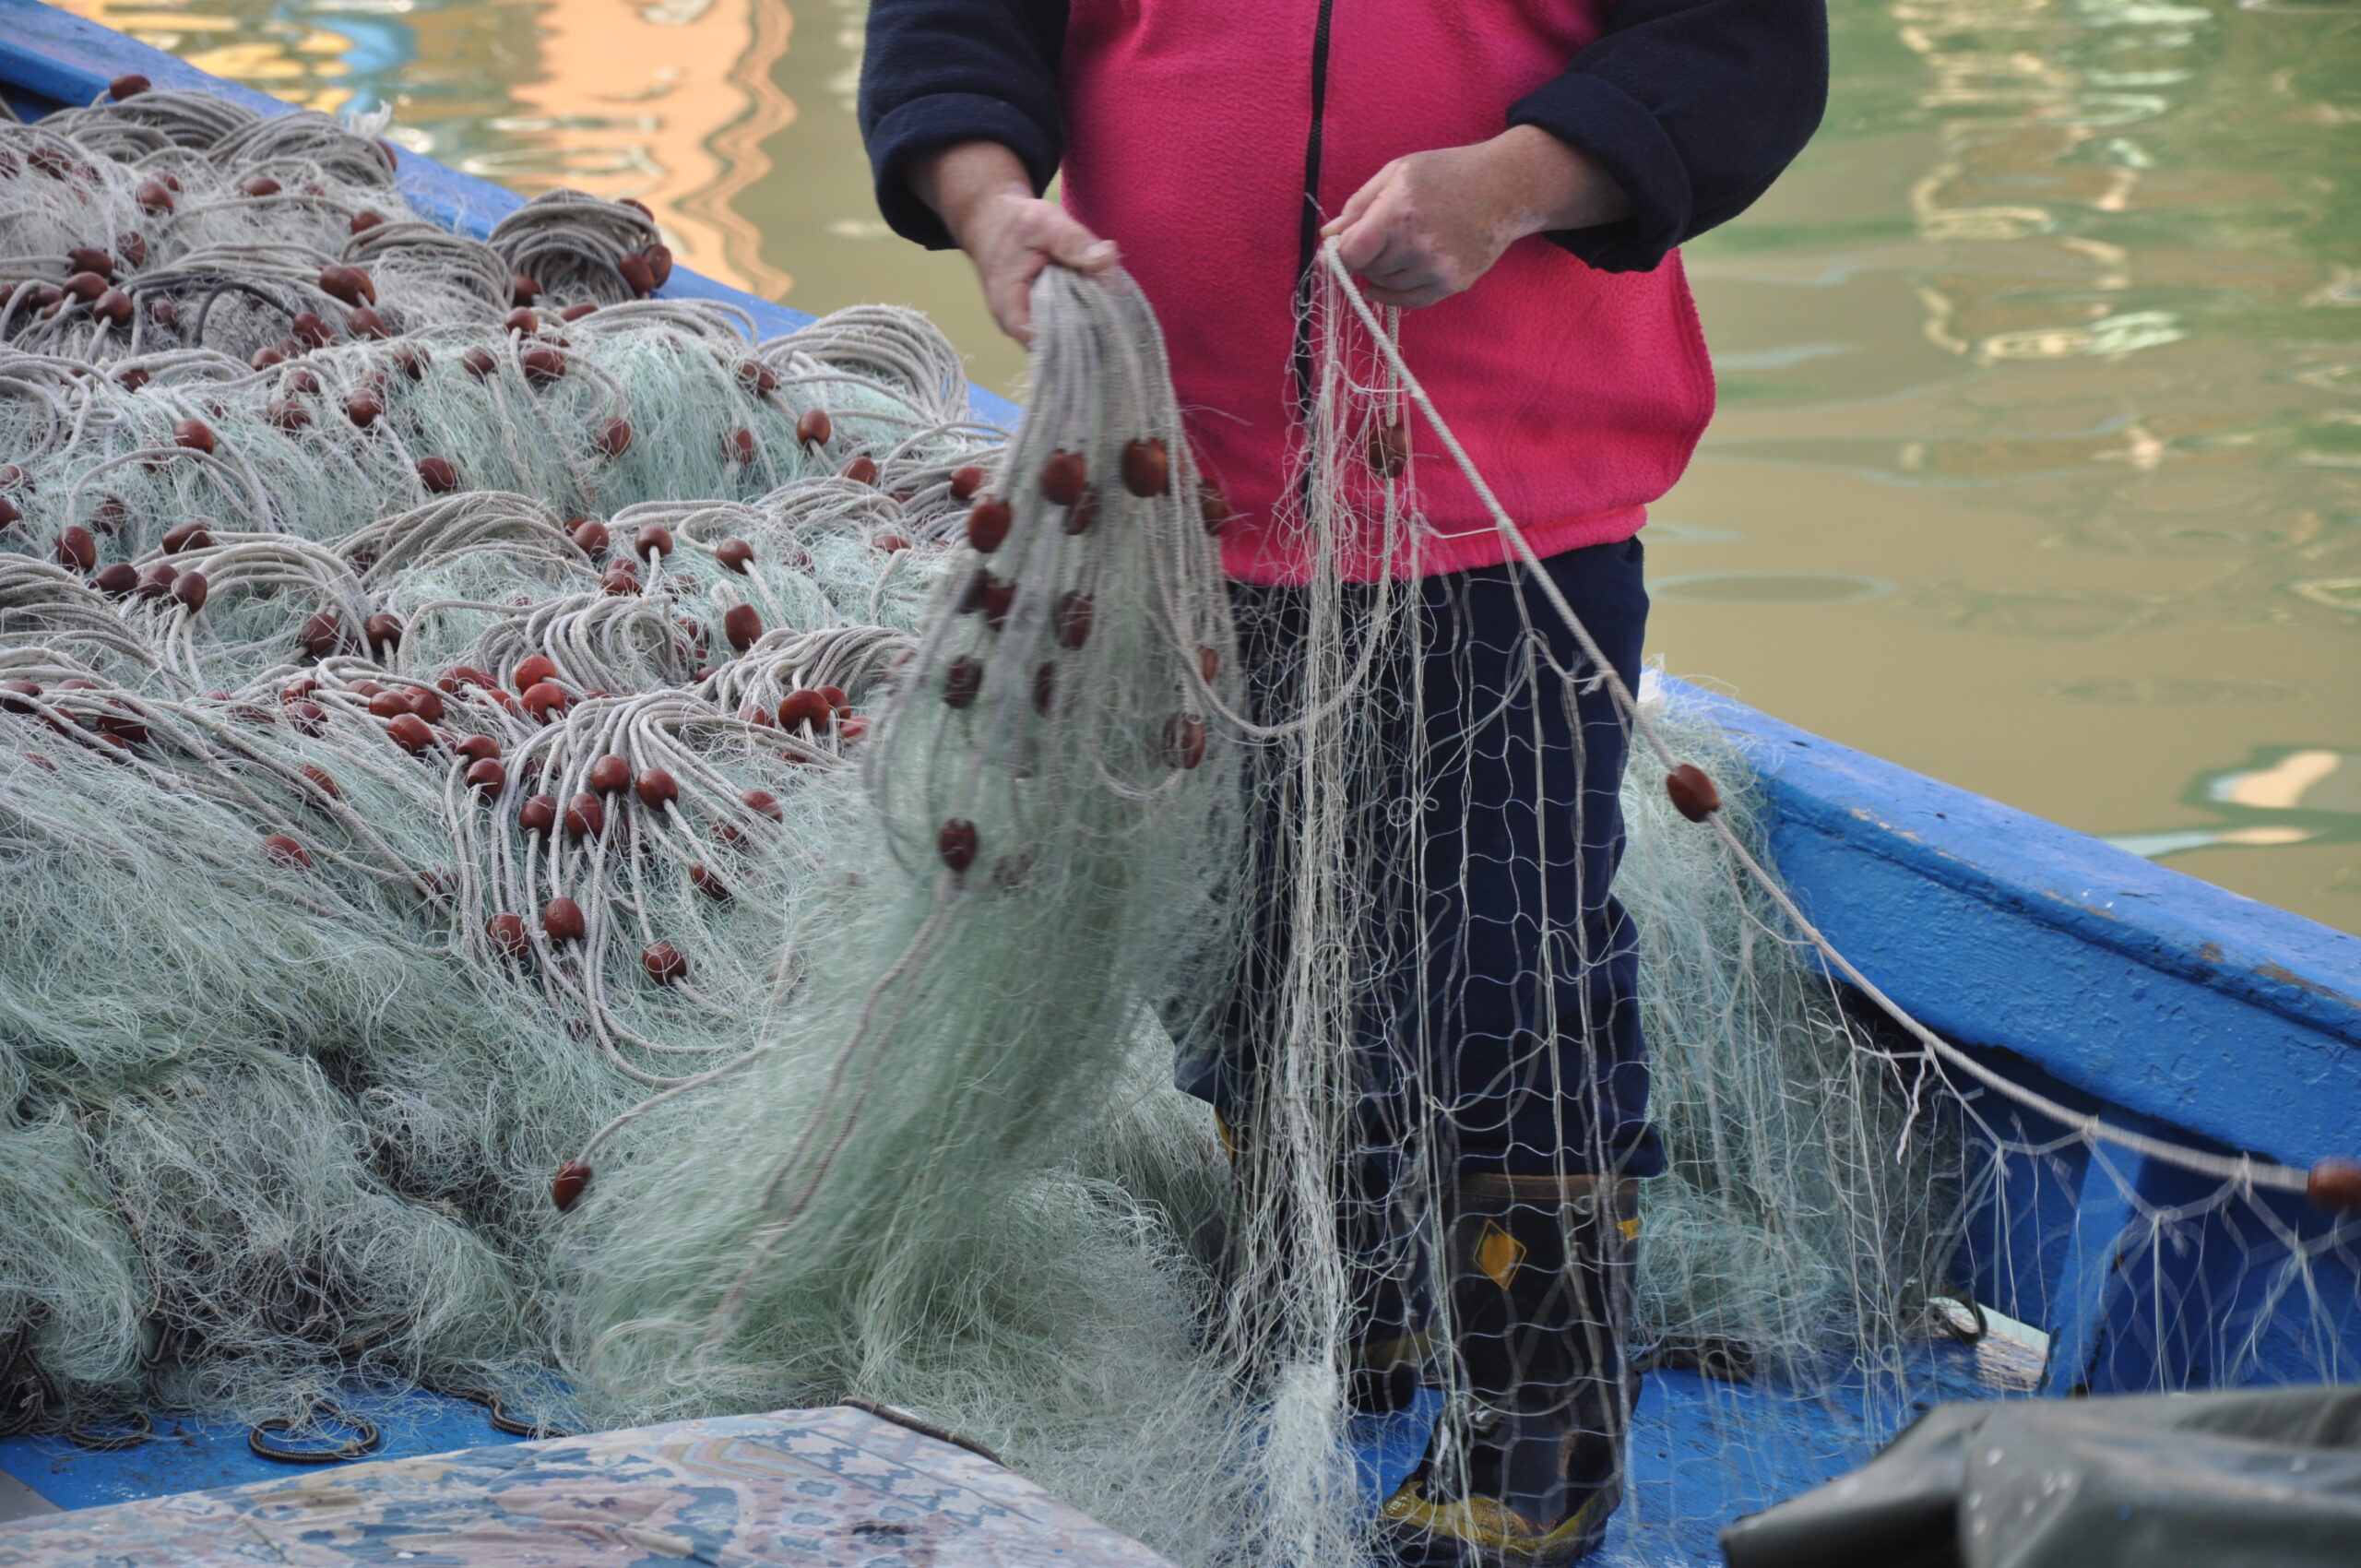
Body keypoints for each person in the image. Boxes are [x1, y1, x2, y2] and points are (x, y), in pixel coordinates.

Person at [860, 4, 1827, 1562]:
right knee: (1228, 918)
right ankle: (1346, 1281)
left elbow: (1738, 49)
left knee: (1505, 956)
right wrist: (990, 207)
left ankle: (1542, 1407)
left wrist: (1512, 184)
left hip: (1503, 507)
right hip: (1175, 470)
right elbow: (954, 29)